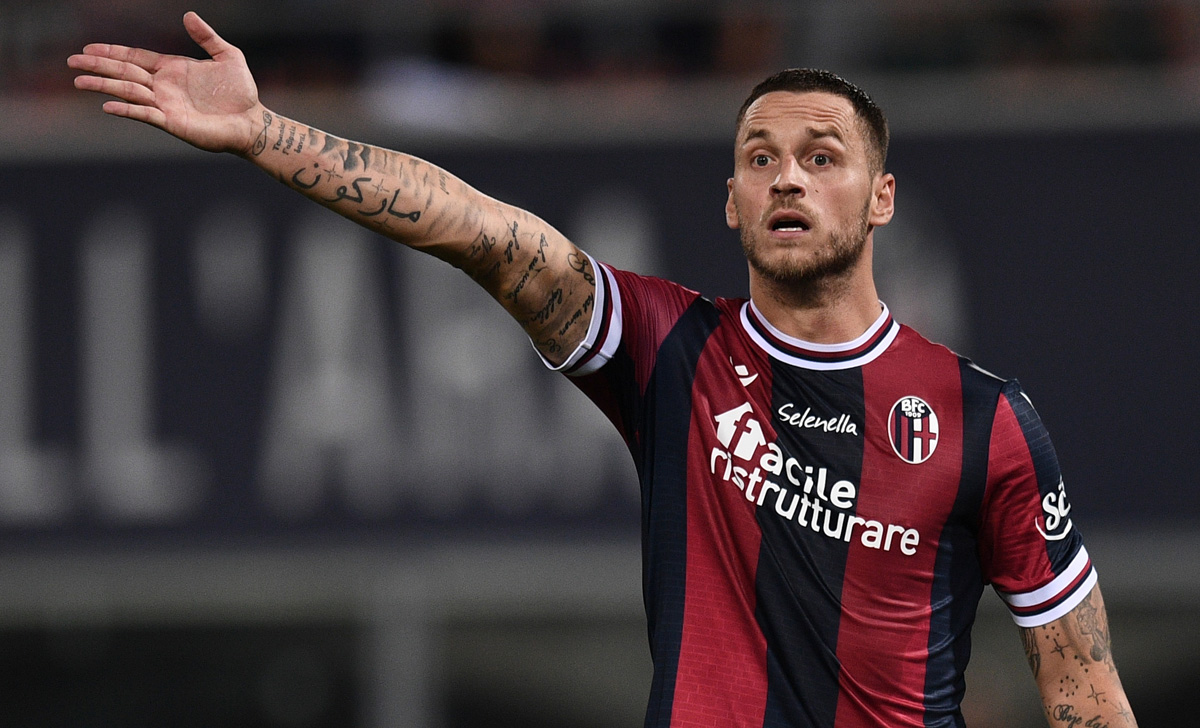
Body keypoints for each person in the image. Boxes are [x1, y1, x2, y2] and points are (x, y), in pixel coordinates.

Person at [68, 12, 1138, 728]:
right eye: (760, 158)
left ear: (882, 197)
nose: (788, 179)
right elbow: (480, 229)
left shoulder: (987, 420)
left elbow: (1082, 682)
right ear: (731, 202)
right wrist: (262, 132)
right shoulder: (672, 349)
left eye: (822, 156)